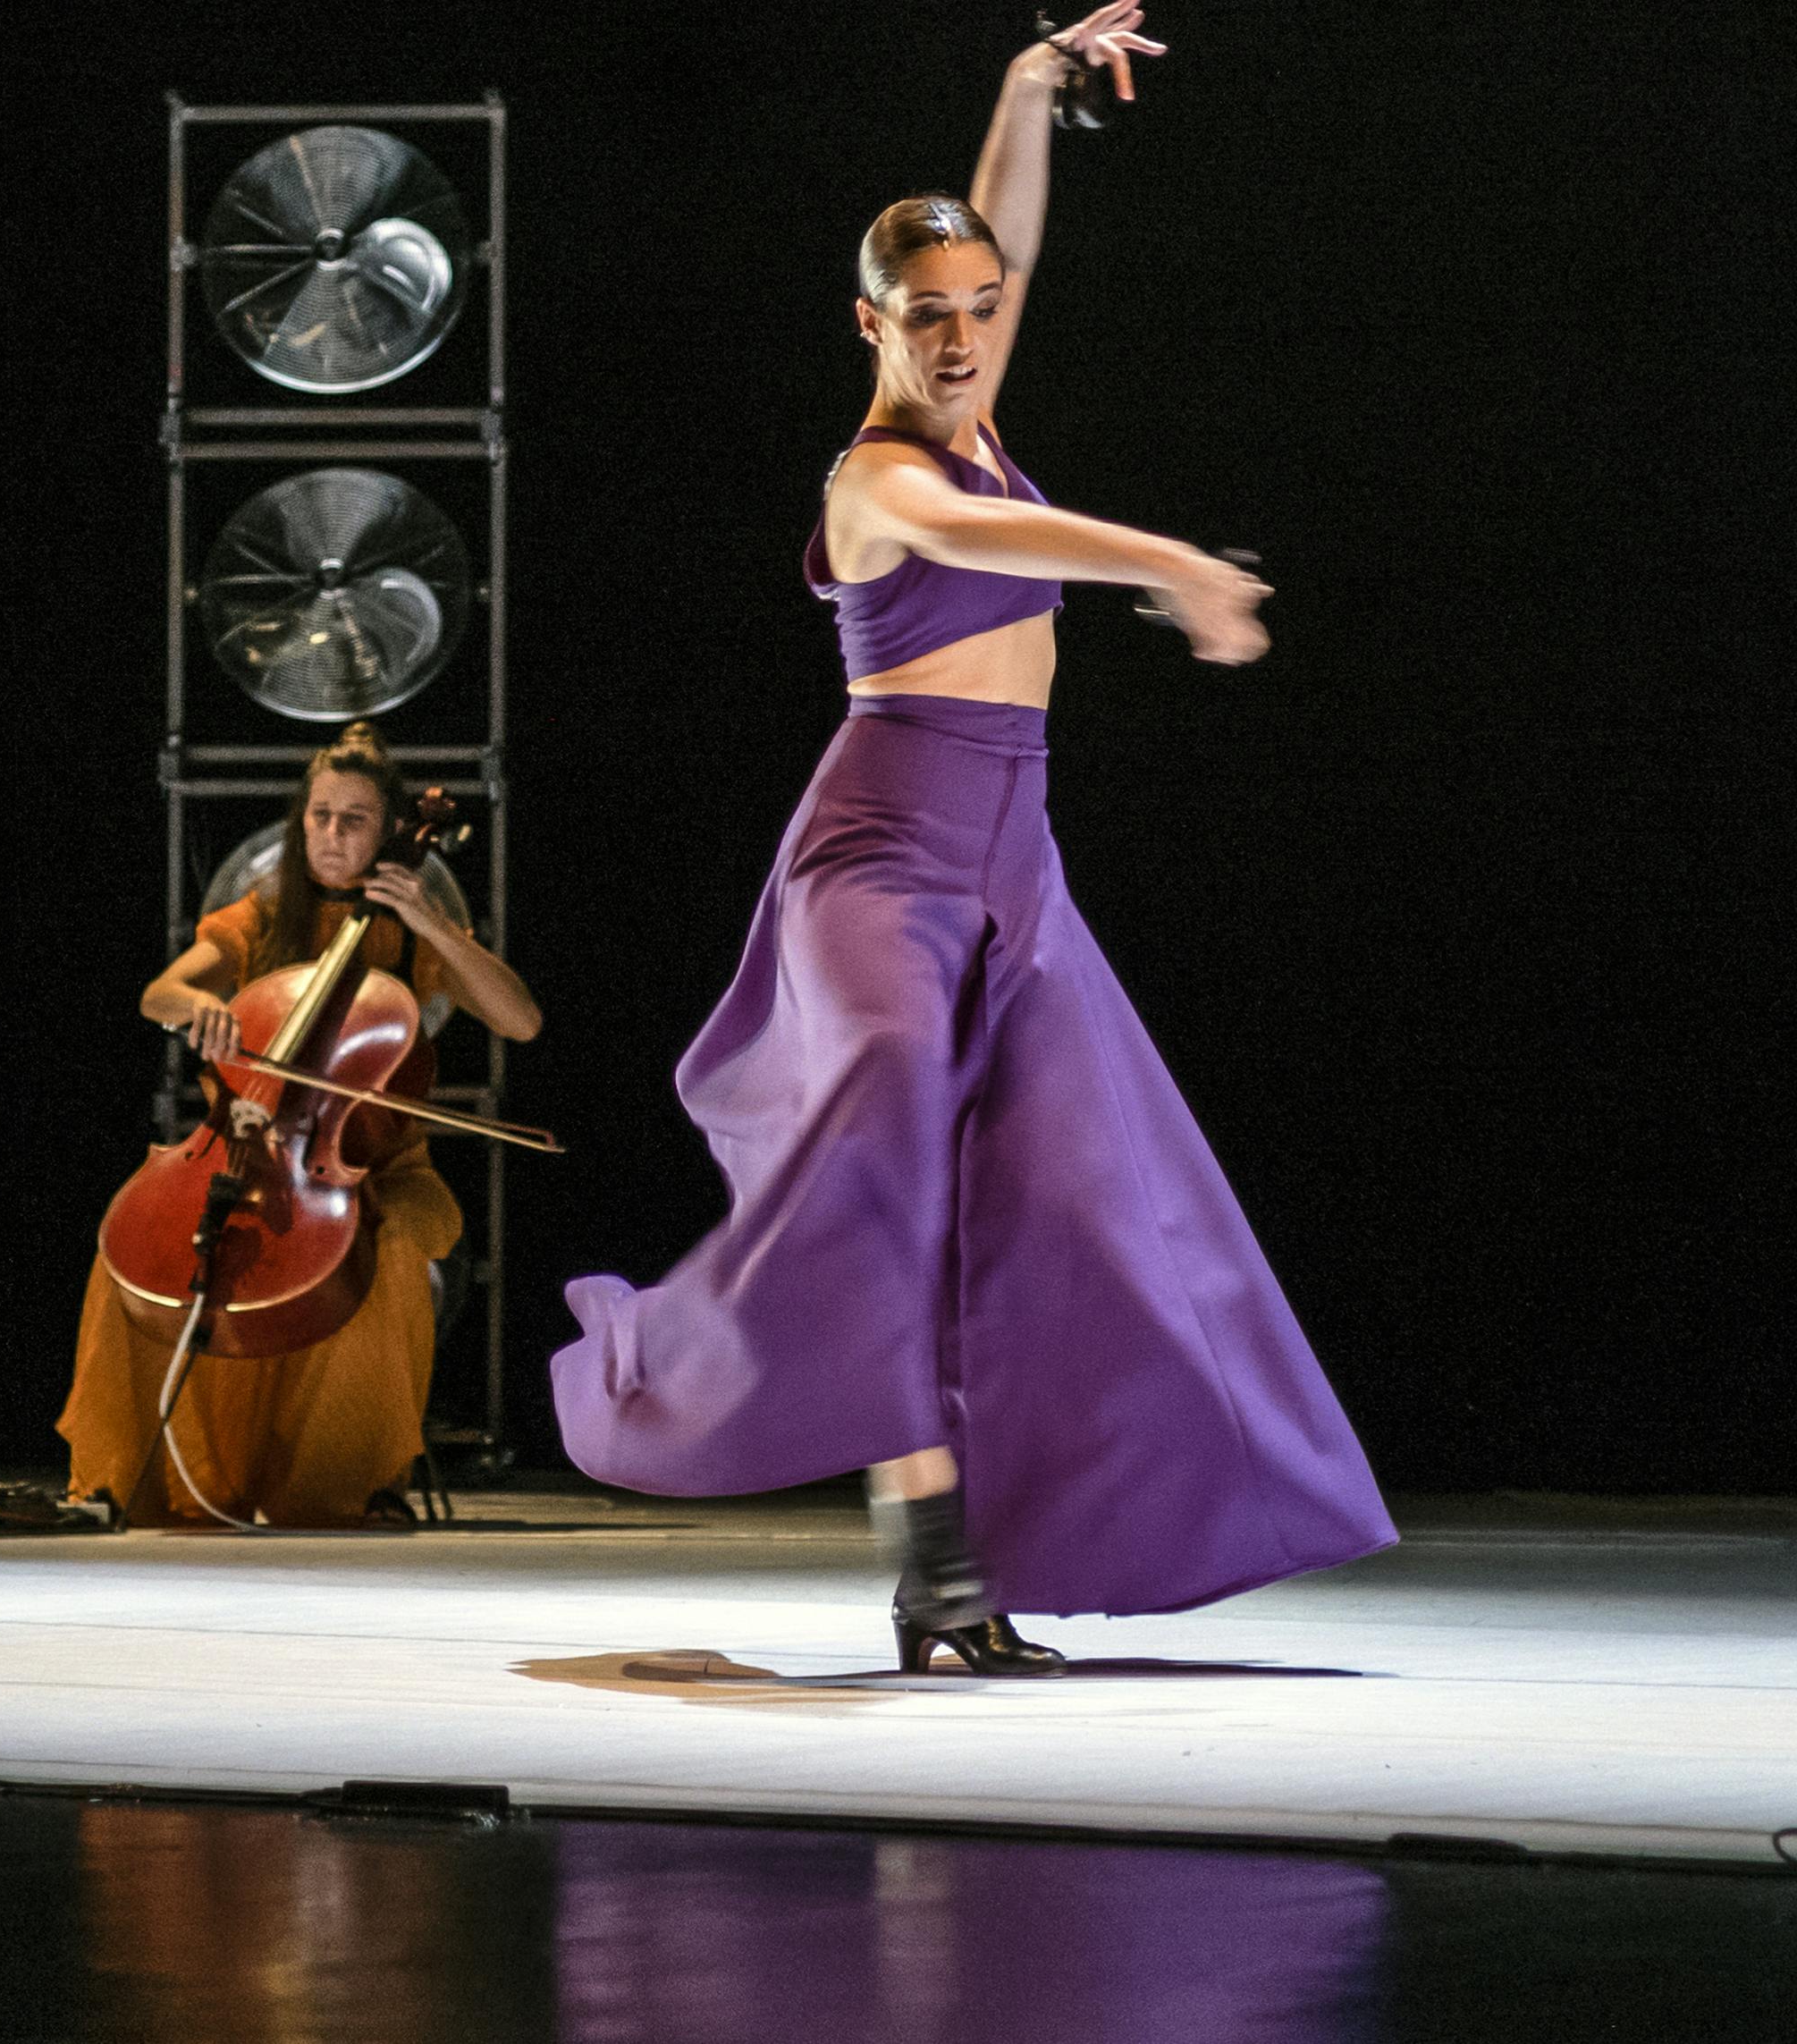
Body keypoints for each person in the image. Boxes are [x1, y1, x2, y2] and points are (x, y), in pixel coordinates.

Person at [550, 4, 1396, 1673]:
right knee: (878, 1181)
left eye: (979, 313)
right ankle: (934, 1582)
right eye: (925, 317)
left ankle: (1033, 1544)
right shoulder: (877, 477)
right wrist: (1172, 563)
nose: (958, 340)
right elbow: (978, 531)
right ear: (868, 322)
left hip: (1015, 866)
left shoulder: (977, 398)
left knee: (1083, 1205)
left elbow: (1007, 234)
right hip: (880, 864)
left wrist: (1029, 85)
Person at [60, 721, 542, 1526]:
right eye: (319, 816)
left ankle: (342, 1480)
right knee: (136, 1249)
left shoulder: (406, 929)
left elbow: (519, 1021)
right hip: (246, 1147)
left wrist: (430, 923)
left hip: (377, 1172)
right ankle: (119, 1480)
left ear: (389, 831)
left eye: (353, 820)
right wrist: (202, 1006)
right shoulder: (261, 916)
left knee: (384, 1251)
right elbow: (159, 996)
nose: (330, 835)